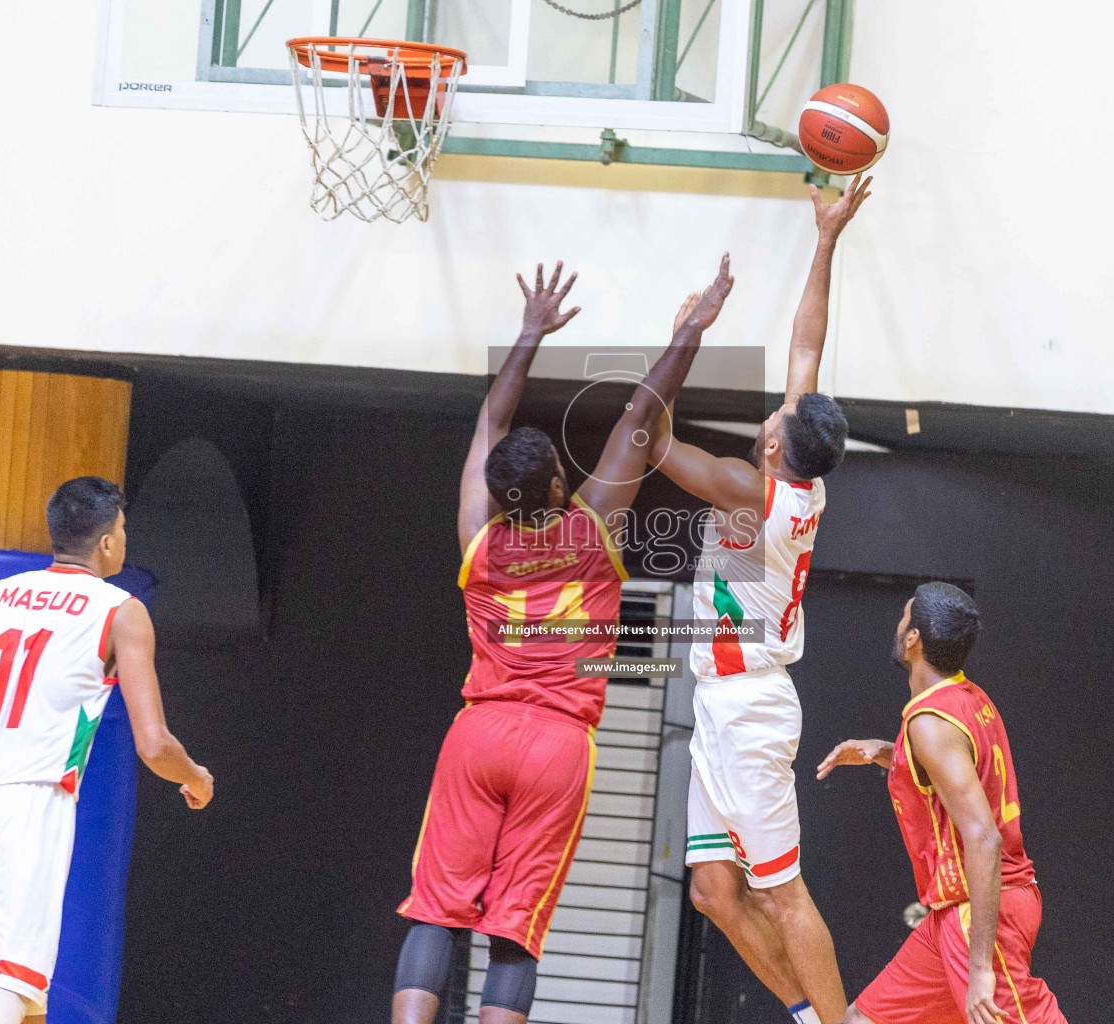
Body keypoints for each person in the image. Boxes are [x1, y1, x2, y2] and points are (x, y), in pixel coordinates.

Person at [392, 257, 736, 1024]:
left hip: (478, 732)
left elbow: (489, 428)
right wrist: (691, 329)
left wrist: (528, 334)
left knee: (437, 911)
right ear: (555, 486)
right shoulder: (591, 528)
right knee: (516, 926)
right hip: (557, 742)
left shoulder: (477, 537)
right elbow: (639, 420)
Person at [645, 174, 871, 1024]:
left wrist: (683, 339)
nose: (771, 415)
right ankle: (809, 1015)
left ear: (776, 448)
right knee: (712, 890)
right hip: (725, 705)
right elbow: (806, 355)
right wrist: (825, 240)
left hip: (747, 711)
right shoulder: (797, 481)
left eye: (776, 419)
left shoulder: (749, 490)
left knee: (782, 894)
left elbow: (655, 439)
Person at [0, 476, 213, 1024]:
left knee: (25, 994)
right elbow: (154, 743)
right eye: (124, 530)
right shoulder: (120, 610)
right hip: (28, 807)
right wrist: (196, 776)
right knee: (5, 994)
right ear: (108, 542)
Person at [817, 583, 1067, 1024]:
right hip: (956, 911)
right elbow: (950, 776)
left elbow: (983, 836)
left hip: (983, 910)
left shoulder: (930, 722)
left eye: (904, 616)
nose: (898, 624)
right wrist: (881, 751)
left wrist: (981, 967)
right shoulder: (968, 699)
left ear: (913, 639)